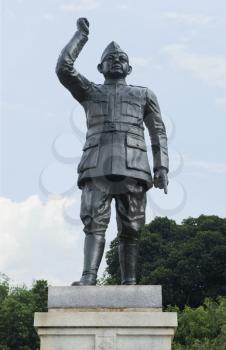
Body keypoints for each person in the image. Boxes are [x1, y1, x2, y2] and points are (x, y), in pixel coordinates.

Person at [56, 18, 169, 286]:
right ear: (100, 67)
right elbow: (64, 68)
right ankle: (88, 277)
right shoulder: (89, 91)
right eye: (111, 58)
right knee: (94, 222)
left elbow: (158, 132)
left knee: (132, 227)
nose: (117, 61)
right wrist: (80, 36)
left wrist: (161, 167)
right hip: (97, 165)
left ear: (129, 66)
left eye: (122, 58)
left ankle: (129, 282)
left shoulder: (144, 94)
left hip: (134, 166)